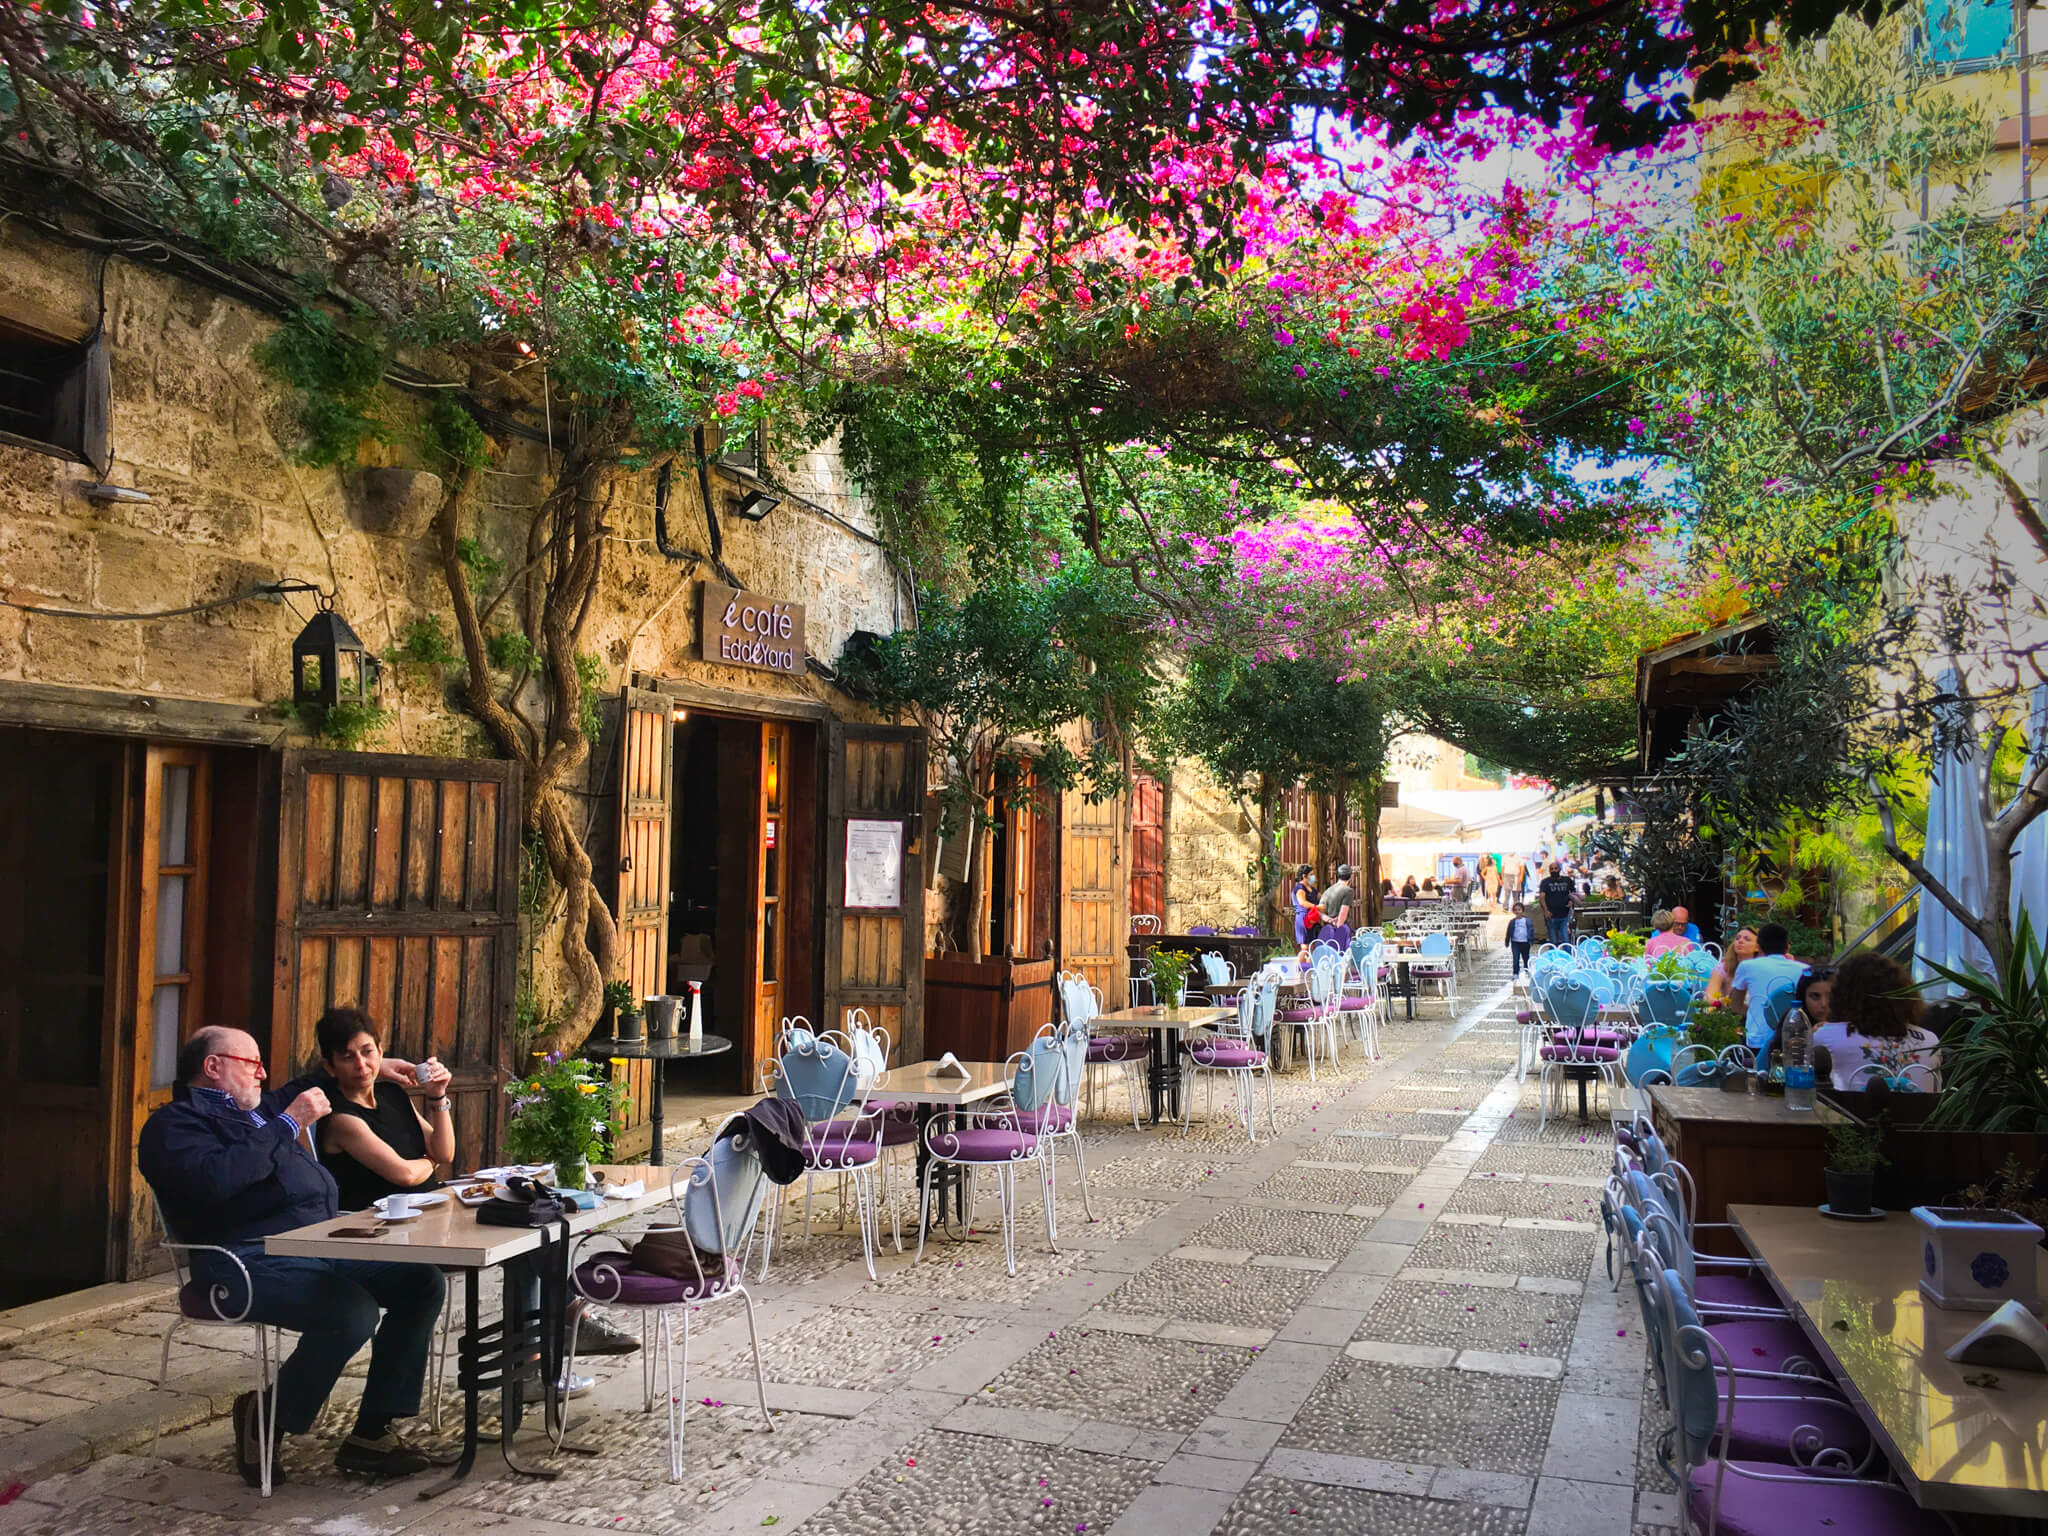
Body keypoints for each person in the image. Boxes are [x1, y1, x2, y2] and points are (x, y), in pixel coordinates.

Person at [138, 1026, 445, 1485]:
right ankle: (268, 1416)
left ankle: (370, 1435)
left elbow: (310, 1083)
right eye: (252, 1064)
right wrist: (286, 1124)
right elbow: (218, 1180)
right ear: (213, 1067)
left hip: (318, 1242)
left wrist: (377, 1066)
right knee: (351, 1311)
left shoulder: (258, 1107)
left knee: (421, 1282)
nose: (263, 1073)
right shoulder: (175, 1125)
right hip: (239, 1259)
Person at [311, 1008, 641, 1373]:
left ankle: (542, 1349)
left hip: (432, 1216)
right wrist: (430, 1164)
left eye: (367, 1051)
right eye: (347, 1057)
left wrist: (438, 1097)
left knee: (529, 1229)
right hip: (388, 1235)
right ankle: (561, 1329)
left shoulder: (391, 1095)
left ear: (380, 1050)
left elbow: (444, 1150)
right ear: (329, 1066)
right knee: (521, 1238)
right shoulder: (341, 1119)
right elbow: (404, 1174)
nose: (361, 1063)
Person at [1812, 953, 1941, 1090]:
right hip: (1920, 1111)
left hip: (1850, 1111)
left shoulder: (1827, 1036)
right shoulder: (1930, 1040)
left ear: (1842, 996)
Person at [1728, 923, 1808, 1052]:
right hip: (1796, 1038)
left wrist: (1761, 1011)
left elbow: (1735, 1006)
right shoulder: (1804, 969)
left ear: (1758, 947)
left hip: (1758, 1038)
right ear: (1787, 948)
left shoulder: (1747, 966)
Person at [1704, 927, 1758, 1006]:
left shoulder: (1761, 969)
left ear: (1757, 947)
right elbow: (1707, 998)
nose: (1740, 941)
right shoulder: (1723, 968)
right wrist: (1721, 1002)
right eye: (1737, 938)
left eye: (1747, 939)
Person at [1537, 861, 1577, 946]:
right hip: (1551, 916)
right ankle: (1554, 957)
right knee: (1554, 942)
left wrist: (1571, 901)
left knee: (1566, 940)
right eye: (1551, 869)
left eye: (1556, 868)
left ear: (1559, 869)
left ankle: (1568, 957)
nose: (1554, 870)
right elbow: (1542, 897)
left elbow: (1573, 893)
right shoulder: (1545, 882)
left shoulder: (1567, 880)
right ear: (1549, 870)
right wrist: (1545, 910)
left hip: (1565, 915)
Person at [1319, 864, 1357, 934]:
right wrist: (1338, 930)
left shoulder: (1328, 890)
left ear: (1338, 876)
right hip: (1342, 930)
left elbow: (1319, 912)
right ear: (1350, 876)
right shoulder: (1348, 891)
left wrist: (1330, 920)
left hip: (1329, 930)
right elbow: (1343, 912)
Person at [1290, 864, 1317, 944]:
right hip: (1303, 918)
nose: (1313, 877)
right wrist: (1316, 907)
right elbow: (1302, 902)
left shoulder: (1312, 889)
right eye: (1311, 875)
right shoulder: (1299, 888)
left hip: (1312, 918)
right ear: (1304, 876)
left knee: (1312, 945)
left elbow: (1320, 897)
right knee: (1305, 947)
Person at [1505, 902, 1534, 976]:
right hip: (1515, 942)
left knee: (1526, 958)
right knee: (1515, 958)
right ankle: (1515, 973)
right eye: (1515, 910)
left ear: (1522, 910)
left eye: (1519, 909)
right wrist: (1507, 941)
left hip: (1525, 942)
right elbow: (1509, 931)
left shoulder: (1527, 920)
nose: (1517, 911)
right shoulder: (1512, 922)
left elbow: (1531, 930)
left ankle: (1527, 970)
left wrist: (1531, 940)